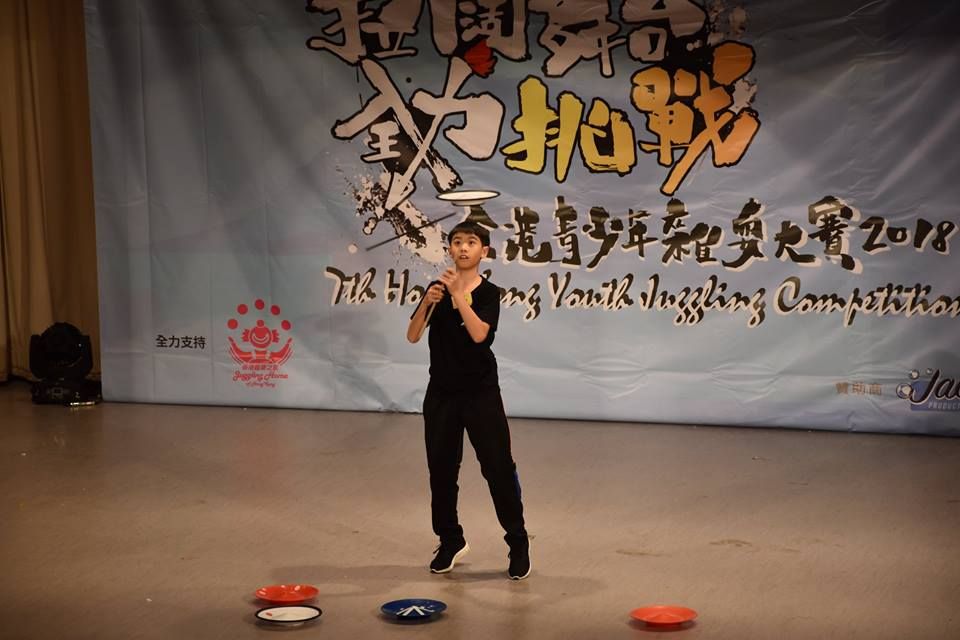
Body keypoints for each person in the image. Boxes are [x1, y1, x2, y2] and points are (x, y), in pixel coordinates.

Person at [406, 220, 531, 580]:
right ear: (449, 249)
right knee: (442, 471)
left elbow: (479, 335)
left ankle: (518, 542)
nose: (463, 248)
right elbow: (413, 335)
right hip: (441, 394)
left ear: (483, 251)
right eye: (457, 241)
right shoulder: (436, 288)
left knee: (498, 468)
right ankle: (450, 540)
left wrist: (457, 295)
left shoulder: (489, 293)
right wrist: (426, 304)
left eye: (471, 242)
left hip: (480, 394)